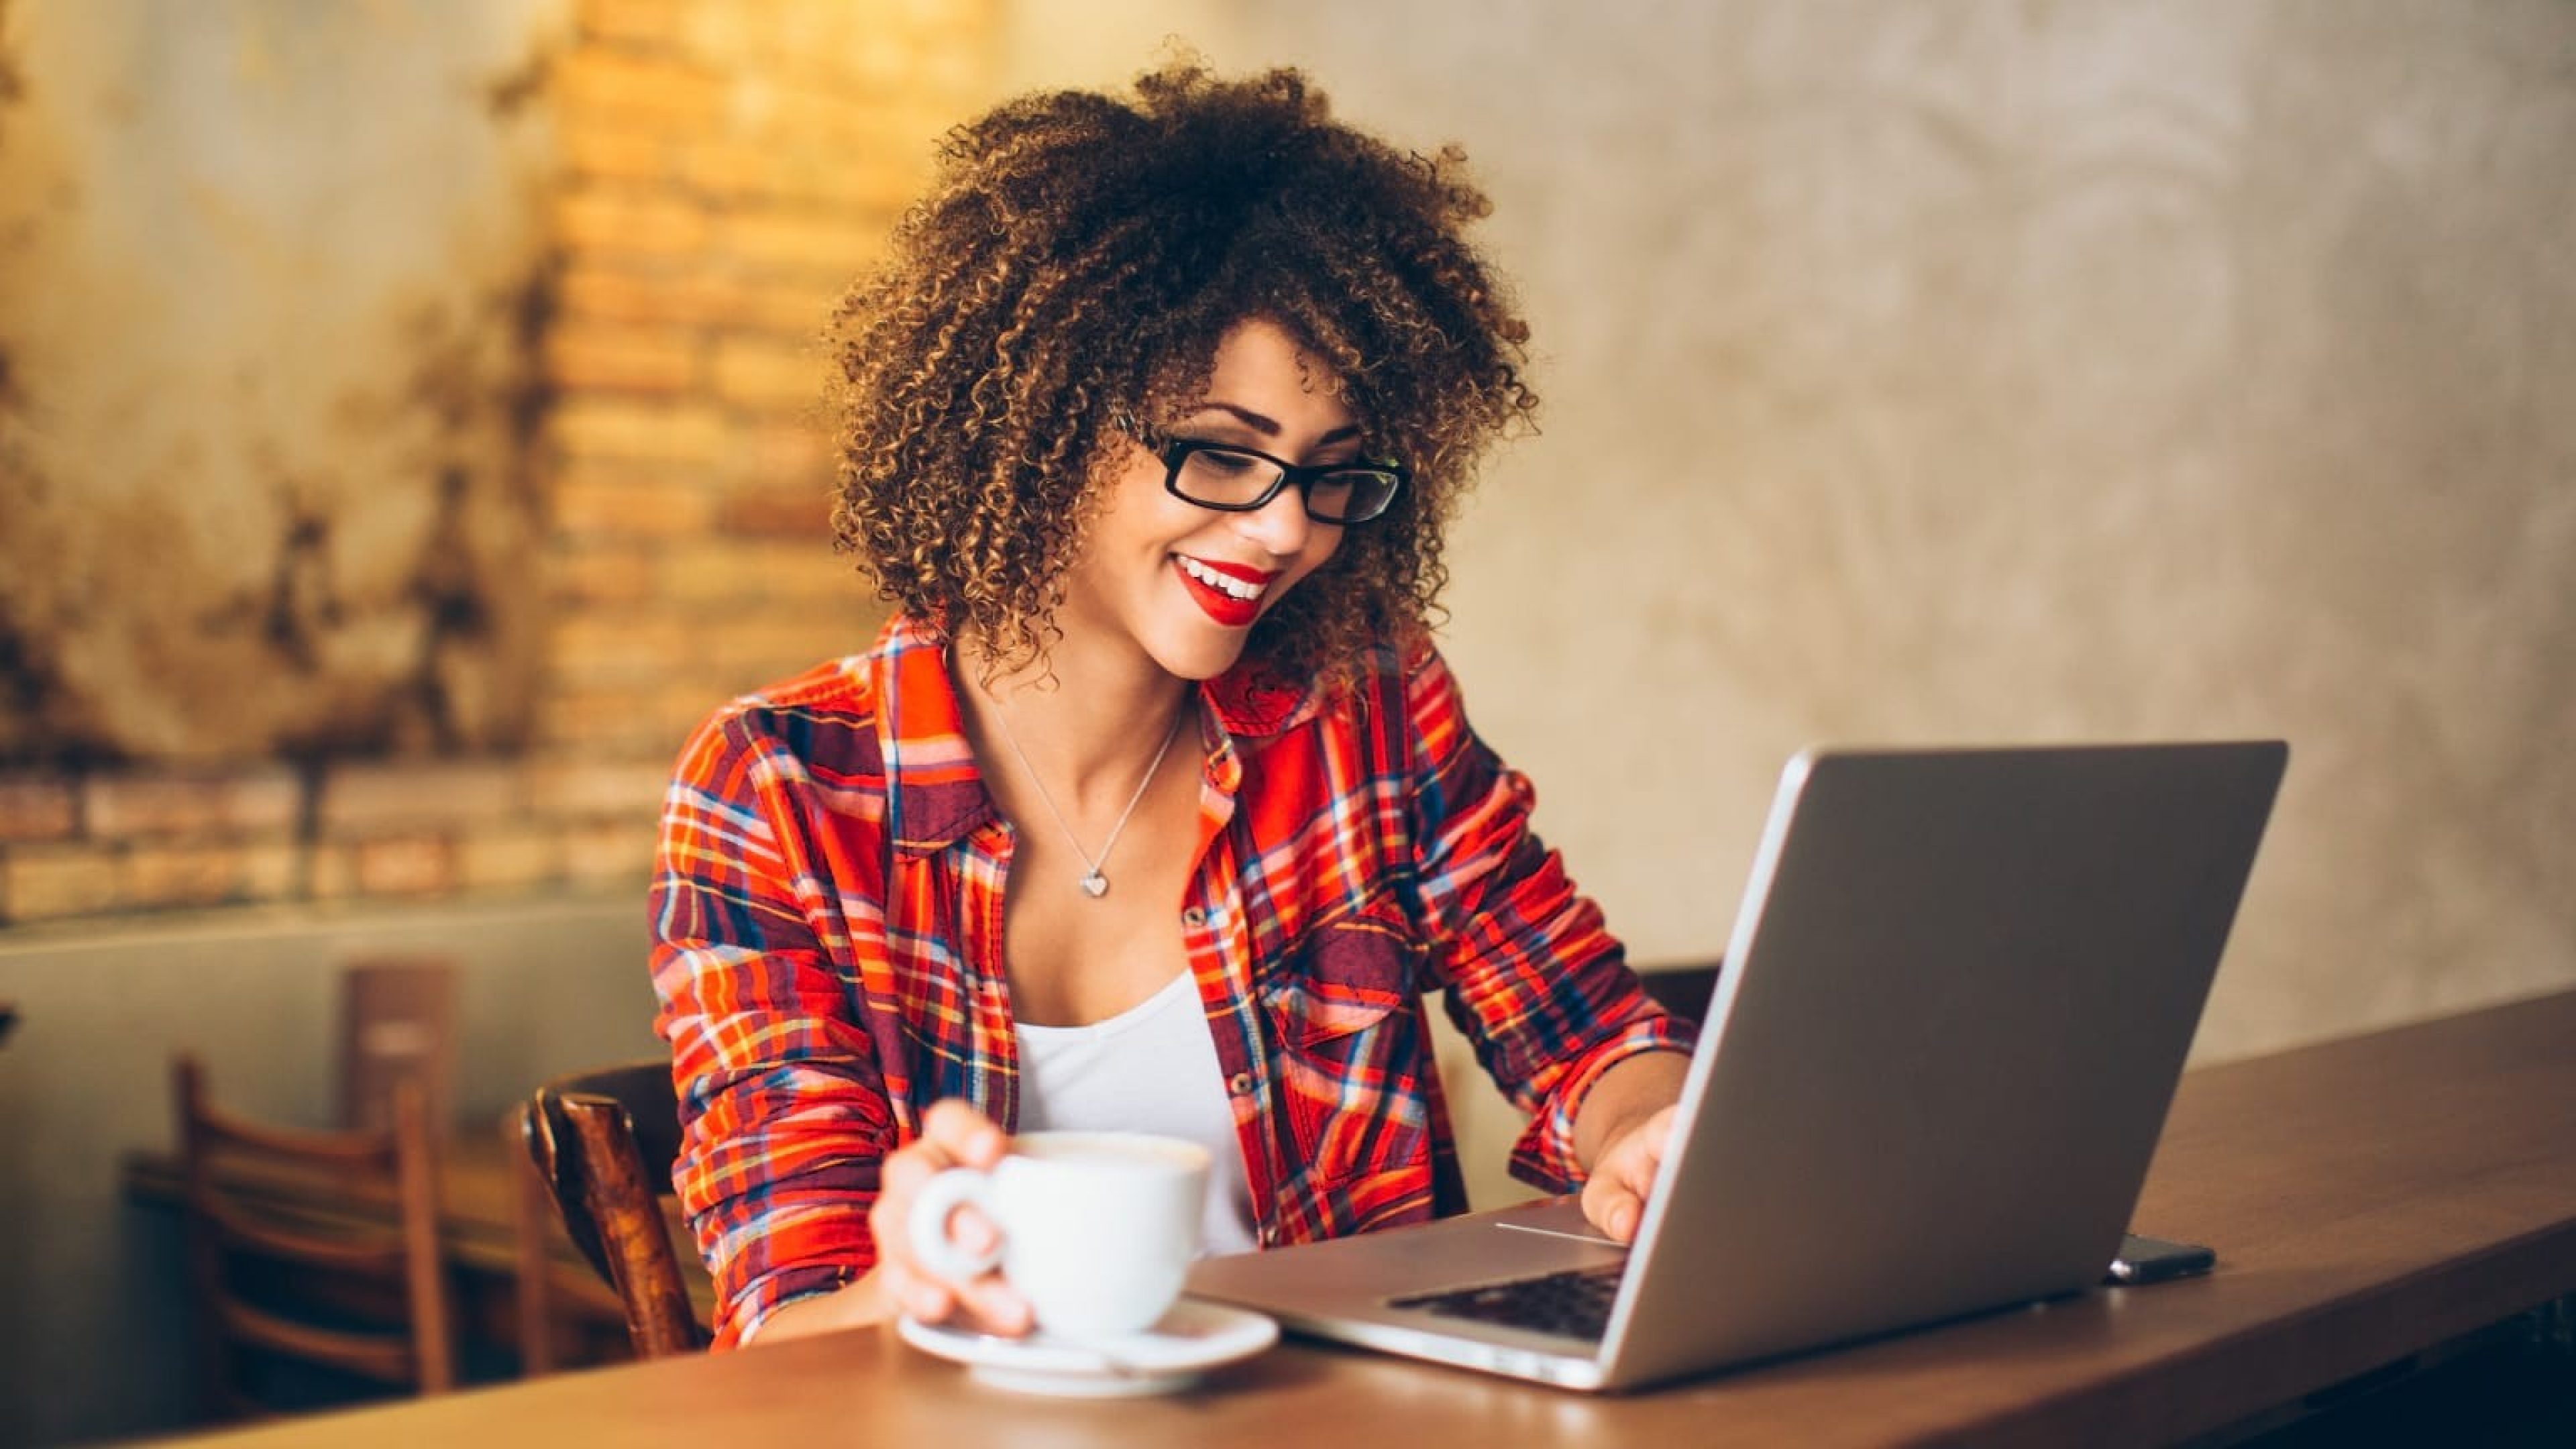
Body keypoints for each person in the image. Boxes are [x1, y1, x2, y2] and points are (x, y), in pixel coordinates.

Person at [649, 59, 1696, 1350]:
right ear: (1042, 417)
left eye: (1329, 474)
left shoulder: (1363, 708)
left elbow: (1590, 1034)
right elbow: (787, 1331)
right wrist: (919, 1283)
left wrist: (1654, 1131)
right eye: (1221, 451)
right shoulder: (782, 792)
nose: (1280, 531)